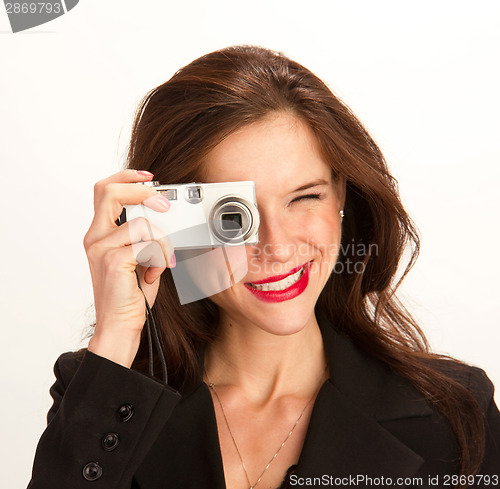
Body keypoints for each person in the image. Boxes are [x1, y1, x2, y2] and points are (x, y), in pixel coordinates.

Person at [28, 45, 500, 489]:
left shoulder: (453, 412)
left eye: (305, 196)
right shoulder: (101, 399)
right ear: (169, 219)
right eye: (233, 215)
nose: (274, 246)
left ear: (341, 196)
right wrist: (117, 338)